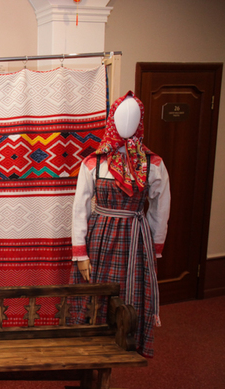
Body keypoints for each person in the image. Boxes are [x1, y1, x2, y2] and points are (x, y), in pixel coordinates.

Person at [70, 91, 171, 357]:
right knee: (97, 291)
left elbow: (161, 208)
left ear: (141, 121)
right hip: (100, 237)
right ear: (112, 120)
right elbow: (80, 209)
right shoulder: (94, 162)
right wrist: (80, 252)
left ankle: (127, 341)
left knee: (130, 293)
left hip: (135, 239)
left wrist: (154, 246)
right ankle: (92, 345)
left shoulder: (153, 164)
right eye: (122, 117)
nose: (127, 123)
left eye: (133, 117)